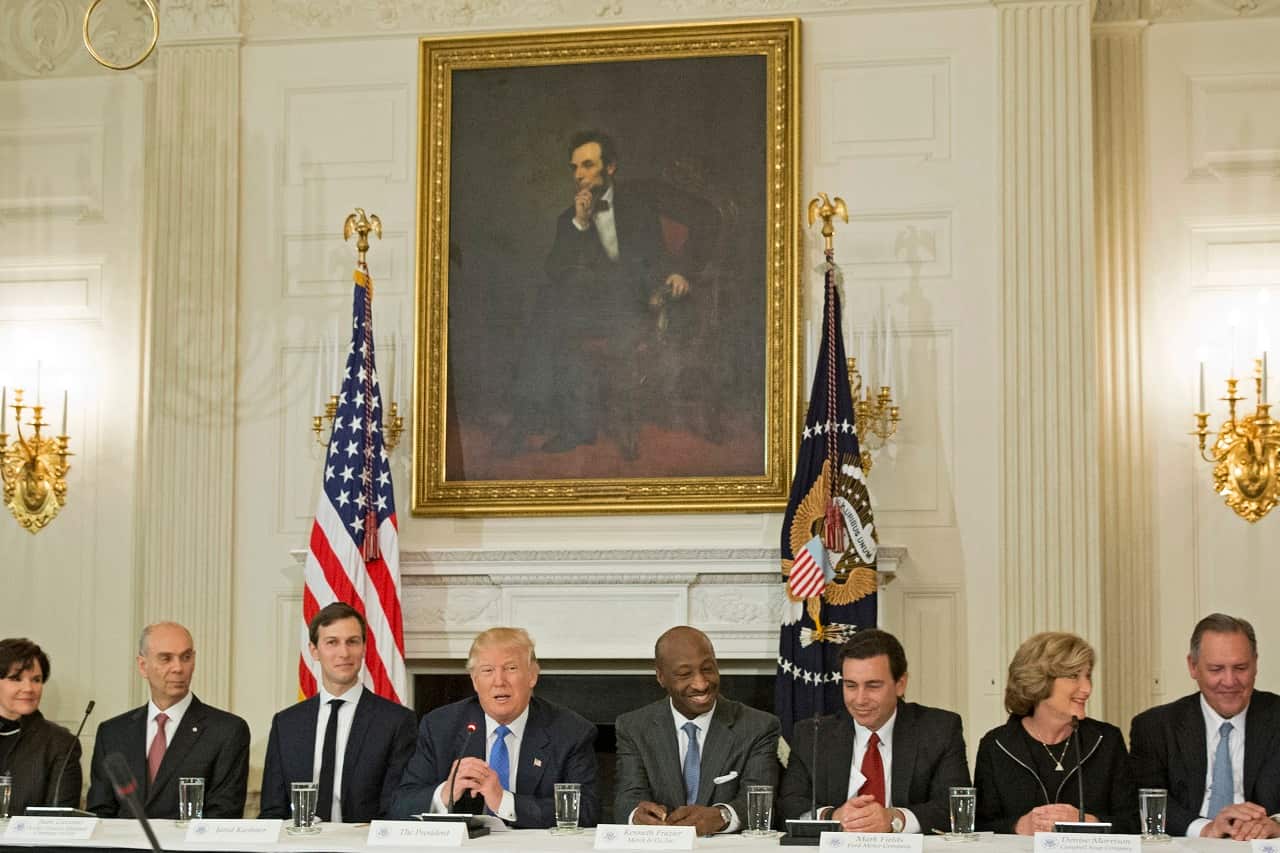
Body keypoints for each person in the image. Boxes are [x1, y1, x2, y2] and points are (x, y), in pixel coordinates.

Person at [536, 129, 691, 460]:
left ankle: (625, 425)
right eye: (574, 167)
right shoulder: (570, 219)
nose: (579, 175)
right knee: (555, 319)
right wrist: (579, 224)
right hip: (591, 311)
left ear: (611, 168)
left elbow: (657, 253)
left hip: (637, 307)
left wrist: (674, 273)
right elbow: (554, 272)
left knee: (604, 332)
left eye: (588, 165)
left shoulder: (637, 206)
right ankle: (576, 427)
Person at [390, 627, 599, 827]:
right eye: (487, 670)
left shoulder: (570, 731)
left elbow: (586, 811)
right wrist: (445, 793)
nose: (499, 681)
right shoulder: (440, 726)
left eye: (511, 668)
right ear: (474, 680)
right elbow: (400, 806)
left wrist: (504, 801)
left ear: (532, 675)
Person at [778, 628, 969, 833]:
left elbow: (955, 805)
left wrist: (895, 820)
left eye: (873, 686)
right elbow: (788, 805)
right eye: (851, 686)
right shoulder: (812, 734)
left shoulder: (939, 729)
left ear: (900, 684)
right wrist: (832, 817)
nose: (860, 699)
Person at [614, 626, 780, 834]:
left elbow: (761, 801)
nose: (701, 684)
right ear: (661, 677)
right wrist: (636, 816)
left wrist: (722, 816)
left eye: (708, 669)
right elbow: (628, 797)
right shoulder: (634, 727)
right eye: (684, 674)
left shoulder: (758, 726)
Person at [259, 602, 416, 822]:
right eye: (332, 642)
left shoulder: (396, 721)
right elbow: (272, 810)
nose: (344, 653)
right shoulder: (286, 723)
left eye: (352, 642)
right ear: (314, 650)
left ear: (363, 648)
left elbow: (396, 808)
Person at [1130, 613, 1280, 840]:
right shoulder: (1155, 727)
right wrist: (1204, 829)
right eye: (1216, 669)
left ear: (1256, 664)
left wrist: (1277, 824)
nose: (1229, 681)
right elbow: (1146, 799)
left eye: (1240, 668)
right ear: (1193, 666)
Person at [973, 632, 1136, 834]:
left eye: (1088, 676)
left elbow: (1133, 823)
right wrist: (1018, 826)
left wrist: (1090, 821)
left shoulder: (1106, 740)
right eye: (1073, 676)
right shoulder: (996, 745)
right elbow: (977, 826)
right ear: (1039, 680)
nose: (1087, 688)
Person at [86, 622, 250, 819]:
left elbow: (223, 814)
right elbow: (100, 813)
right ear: (143, 666)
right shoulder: (112, 733)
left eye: (186, 657)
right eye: (166, 658)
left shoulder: (226, 731)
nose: (178, 668)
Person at [0, 638, 81, 812]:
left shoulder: (61, 743)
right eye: (16, 678)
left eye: (36, 680)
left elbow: (60, 819)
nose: (29, 688)